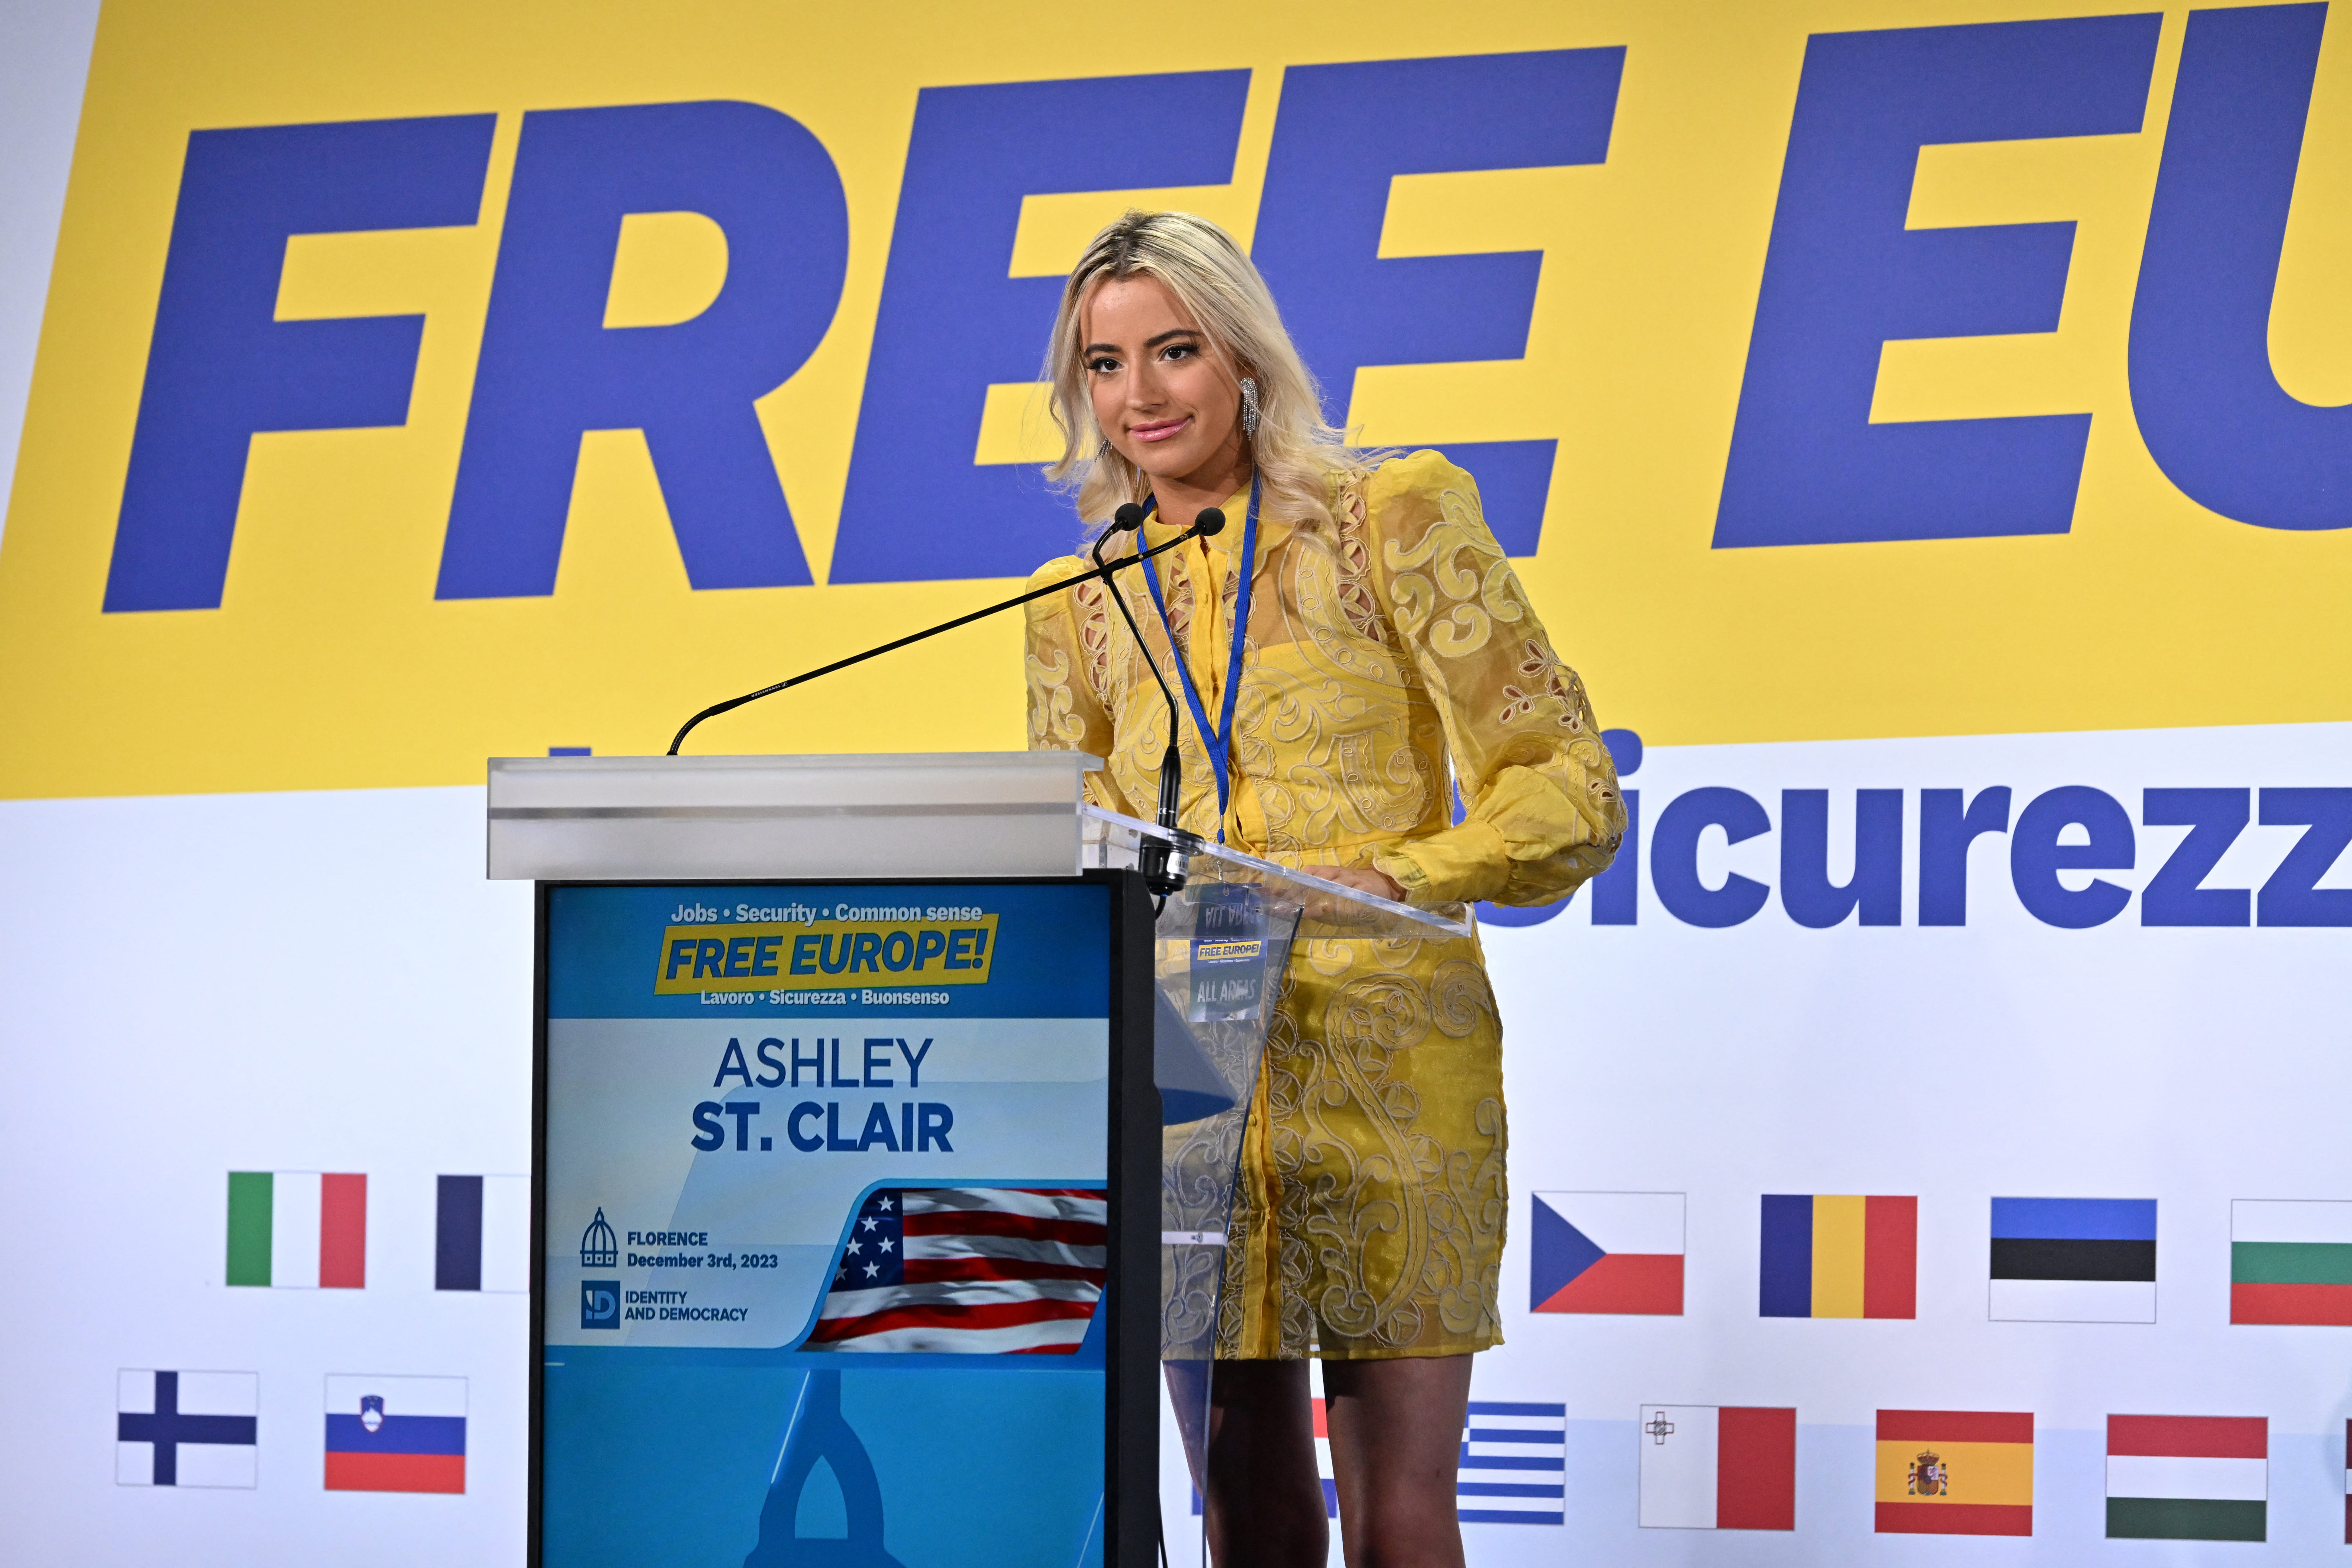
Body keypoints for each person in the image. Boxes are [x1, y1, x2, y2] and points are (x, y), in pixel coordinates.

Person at [1021, 210, 1625, 1568]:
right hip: (1182, 1067)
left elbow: (1567, 784)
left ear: (1242, 354)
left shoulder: (1387, 517)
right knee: (1241, 1502)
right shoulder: (1074, 600)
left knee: (1399, 1513)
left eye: (1174, 351)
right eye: (1105, 366)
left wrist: (1397, 869)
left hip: (1387, 1050)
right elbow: (1076, 851)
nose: (1142, 394)